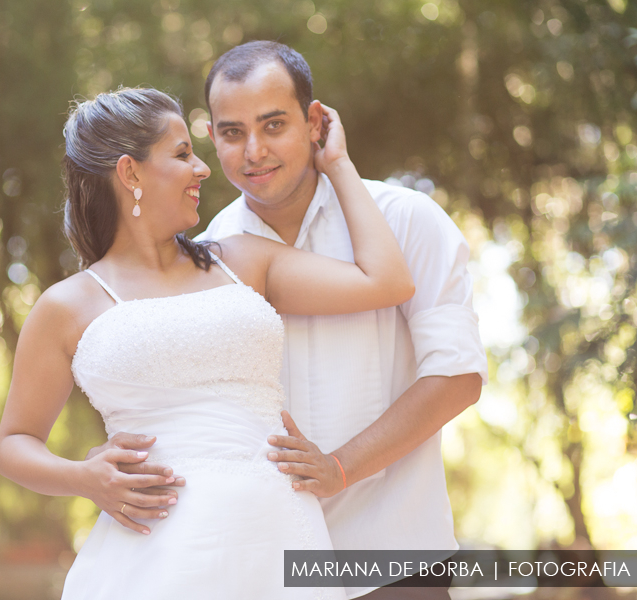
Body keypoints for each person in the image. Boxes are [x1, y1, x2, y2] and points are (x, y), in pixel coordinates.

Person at [92, 42, 489, 599]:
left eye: (273, 125)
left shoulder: (404, 221)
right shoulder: (206, 258)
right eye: (231, 133)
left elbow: (457, 376)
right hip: (259, 569)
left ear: (314, 122)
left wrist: (341, 467)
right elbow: (181, 405)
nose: (253, 151)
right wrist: (100, 463)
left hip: (391, 558)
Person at [0, 86, 414, 599]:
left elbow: (389, 282)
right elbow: (14, 444)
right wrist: (85, 477)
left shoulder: (242, 260)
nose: (203, 169)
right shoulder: (67, 306)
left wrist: (338, 165)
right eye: (182, 153)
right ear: (131, 173)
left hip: (275, 537)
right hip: (153, 552)